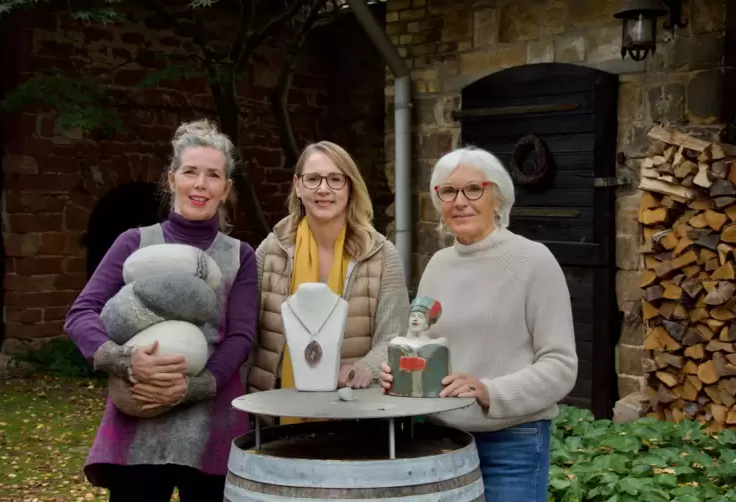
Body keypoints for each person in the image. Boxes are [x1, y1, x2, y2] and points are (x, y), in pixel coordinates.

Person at [64, 119, 258, 502]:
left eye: (213, 175)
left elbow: (240, 337)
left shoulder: (241, 257)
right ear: (172, 180)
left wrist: (195, 386)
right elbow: (81, 313)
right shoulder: (134, 243)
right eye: (190, 172)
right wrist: (124, 361)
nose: (200, 184)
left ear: (226, 189)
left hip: (212, 419)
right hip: (139, 415)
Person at [379, 146, 578, 502]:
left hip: (512, 442)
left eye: (474, 189)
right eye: (448, 191)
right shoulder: (437, 264)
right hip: (439, 441)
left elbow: (561, 366)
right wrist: (400, 371)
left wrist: (490, 391)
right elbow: (420, 346)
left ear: (498, 197)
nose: (460, 201)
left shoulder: (534, 261)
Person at [246, 140, 409, 425]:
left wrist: (365, 368)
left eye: (335, 179)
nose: (323, 189)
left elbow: (394, 336)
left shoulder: (381, 254)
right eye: (313, 179)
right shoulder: (272, 250)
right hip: (276, 415)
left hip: (355, 414)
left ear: (350, 187)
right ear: (297, 186)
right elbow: (248, 332)